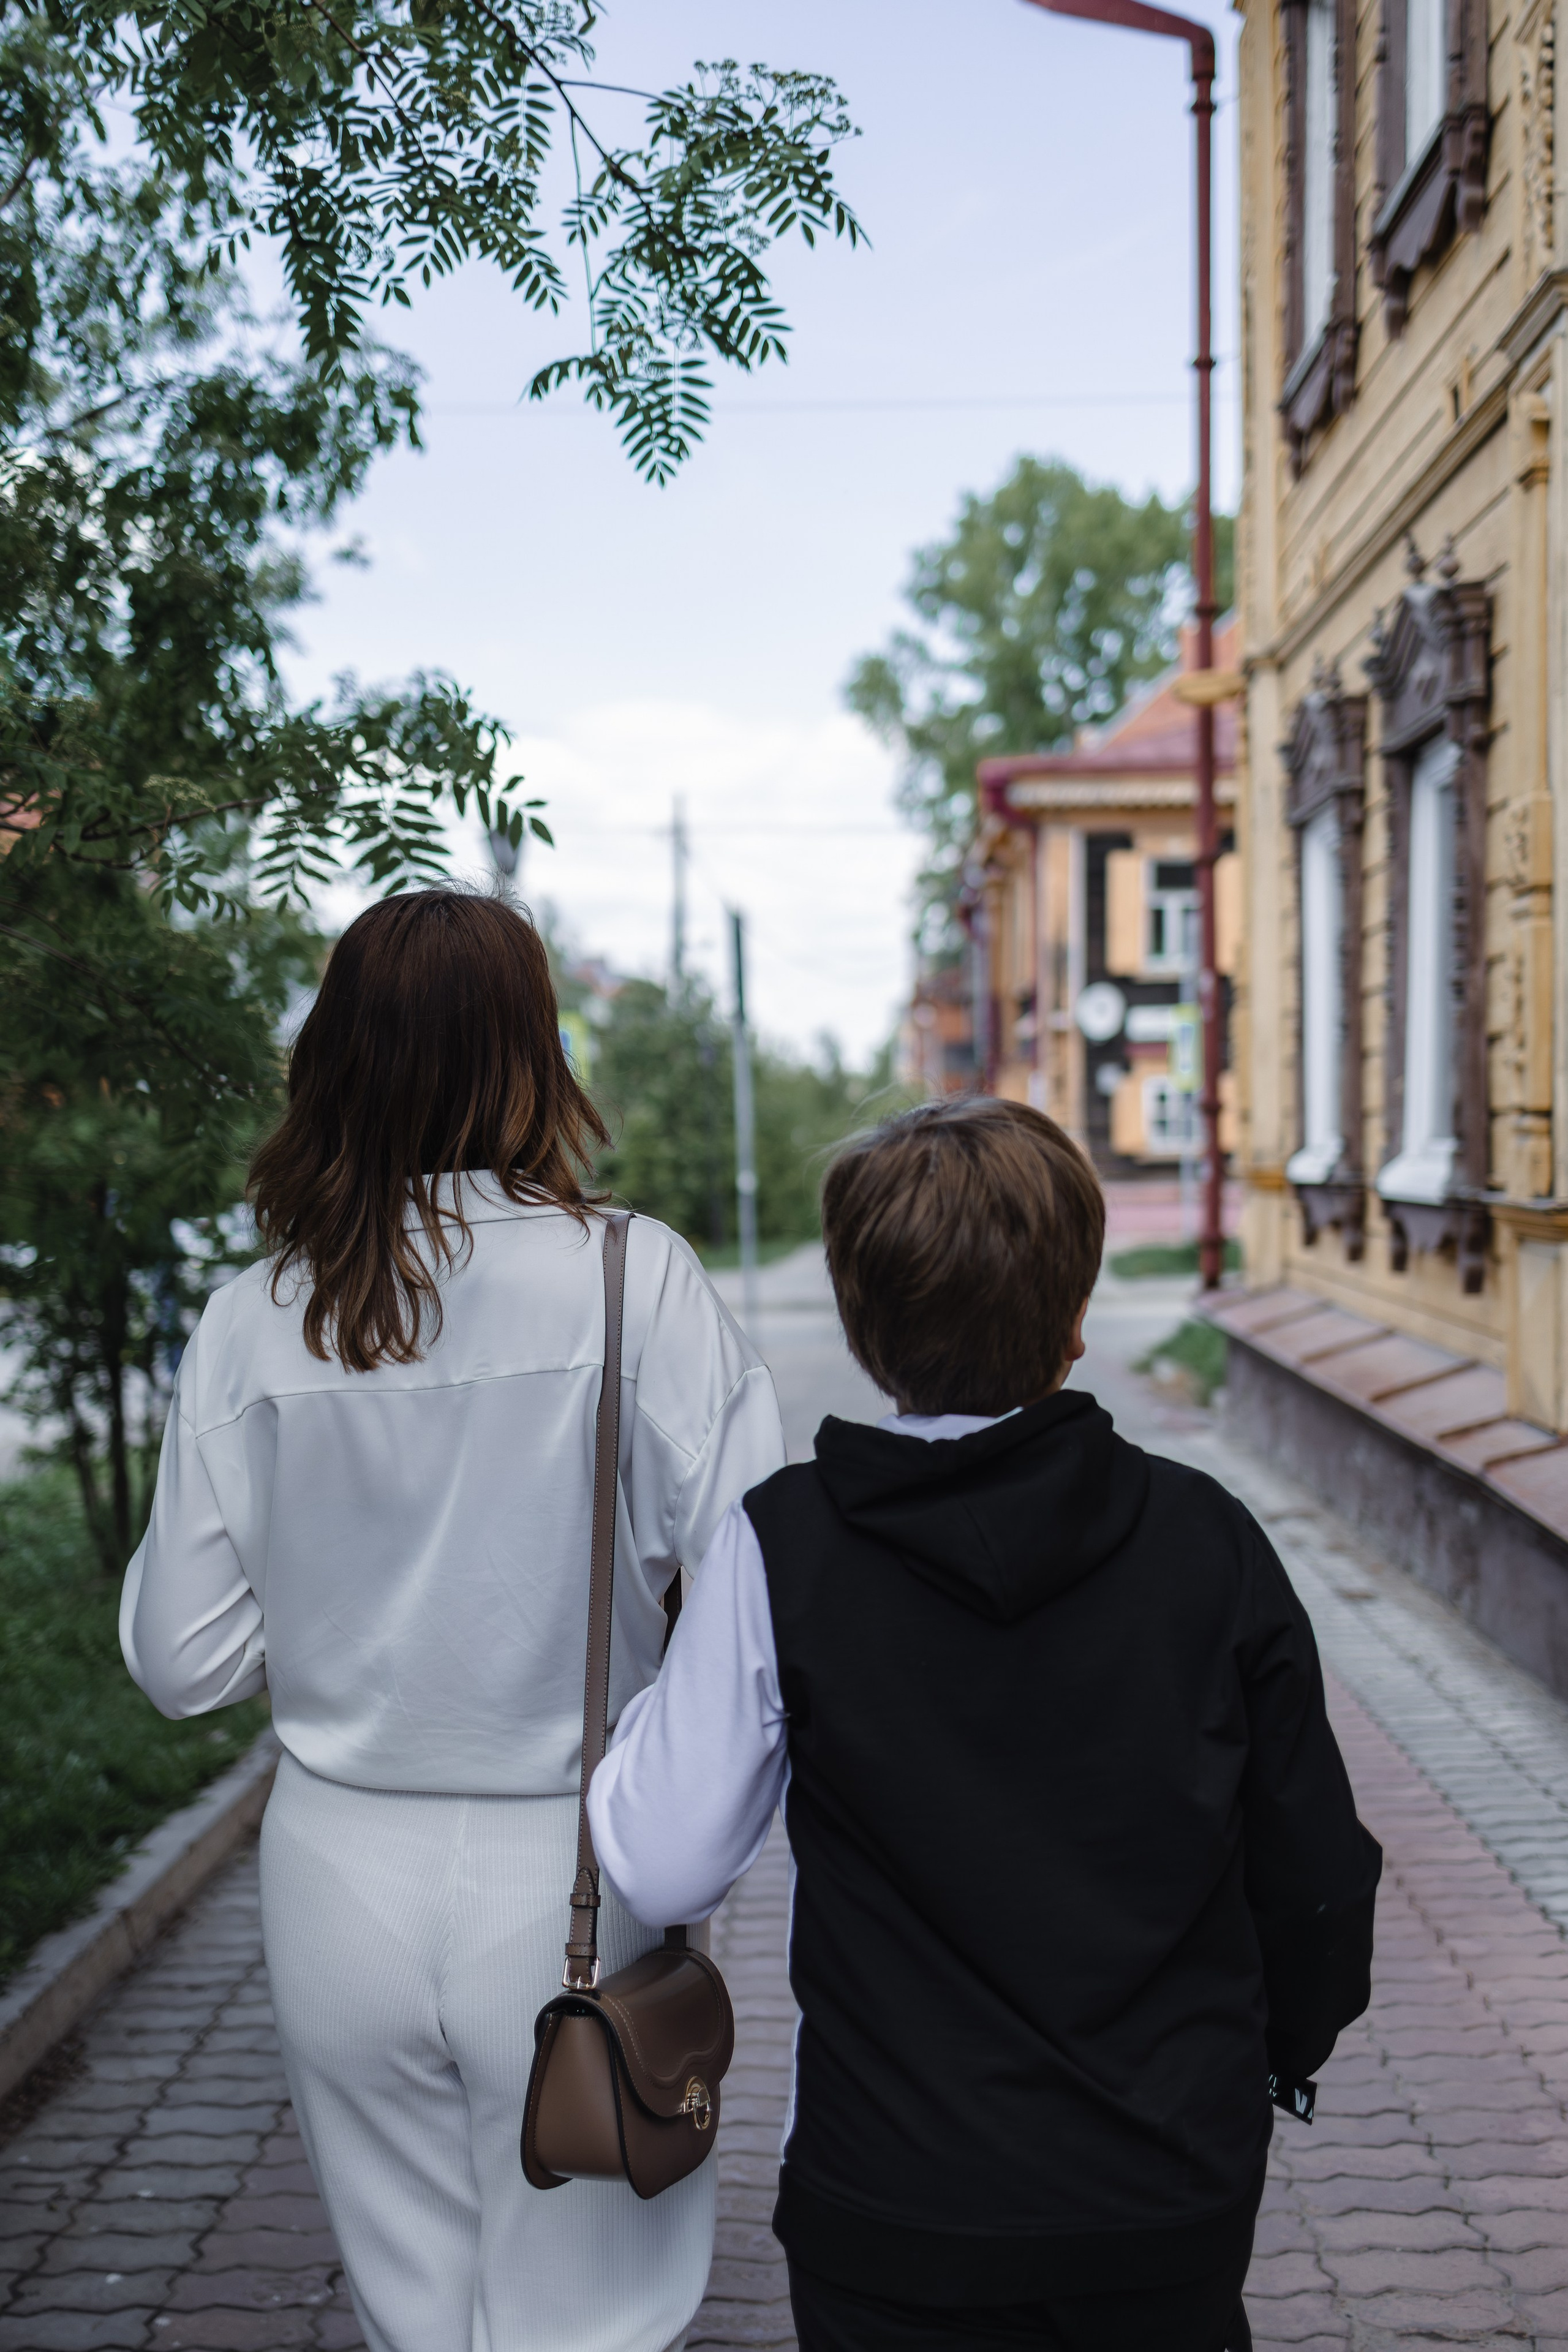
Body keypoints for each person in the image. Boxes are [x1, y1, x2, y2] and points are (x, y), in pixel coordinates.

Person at [588, 1096, 1382, 2352]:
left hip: (893, 2202)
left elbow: (664, 1861)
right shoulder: (1205, 1537)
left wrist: (643, 1710)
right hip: (1162, 2189)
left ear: (860, 1324)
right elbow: (1318, 1876)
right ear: (1075, 1314)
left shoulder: (783, 1545)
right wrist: (1274, 2053)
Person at [121, 888, 785, 2352]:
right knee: (589, 2315)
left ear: (334, 1058)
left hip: (334, 1867)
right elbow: (756, 1582)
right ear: (531, 1054)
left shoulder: (252, 1316)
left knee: (412, 2312)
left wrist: (335, 1618)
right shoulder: (632, 1277)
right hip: (573, 1866)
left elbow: (181, 1662)